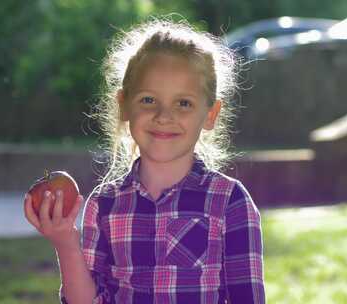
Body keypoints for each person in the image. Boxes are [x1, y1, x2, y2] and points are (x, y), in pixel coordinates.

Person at [24, 17, 265, 303]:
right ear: (124, 104)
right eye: (149, 100)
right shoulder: (105, 203)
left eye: (183, 103)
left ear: (210, 114)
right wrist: (66, 244)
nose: (164, 116)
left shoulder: (230, 201)